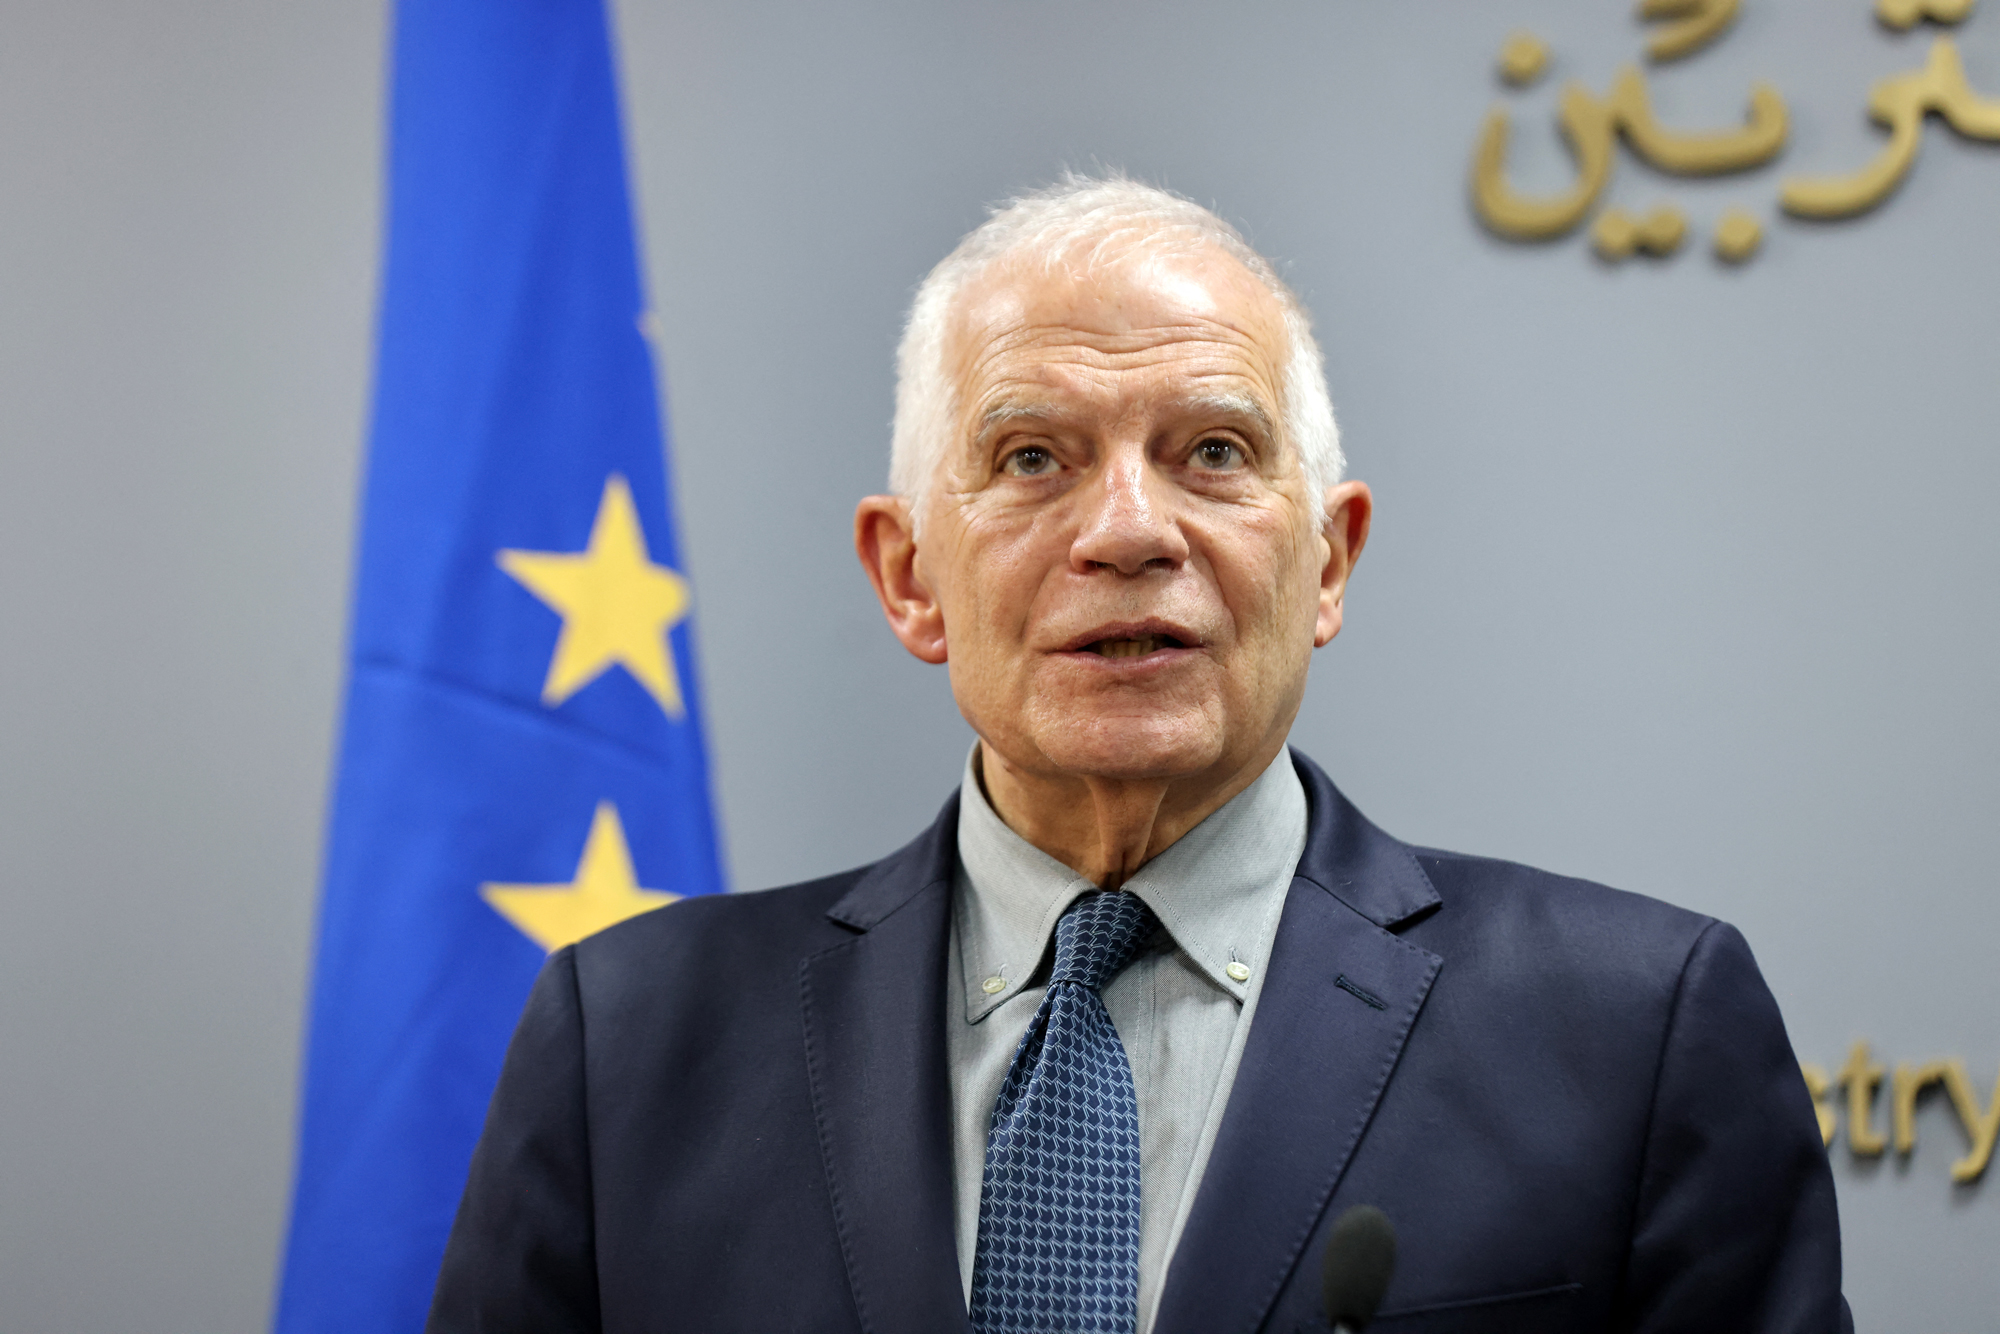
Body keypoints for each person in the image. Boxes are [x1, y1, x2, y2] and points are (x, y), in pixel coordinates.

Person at [428, 176, 1849, 1334]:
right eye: (1035, 456)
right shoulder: (628, 1044)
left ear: (1329, 559)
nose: (1129, 529)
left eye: (1214, 451)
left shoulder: (1636, 1032)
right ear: (910, 573)